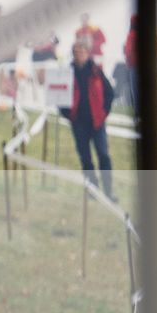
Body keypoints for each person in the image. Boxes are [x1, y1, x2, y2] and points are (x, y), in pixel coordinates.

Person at [64, 36, 116, 200]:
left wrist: (103, 112)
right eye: (76, 51)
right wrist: (68, 114)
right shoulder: (66, 72)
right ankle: (92, 191)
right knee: (85, 158)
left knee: (103, 156)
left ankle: (108, 192)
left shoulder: (96, 70)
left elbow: (110, 93)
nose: (79, 53)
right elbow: (59, 97)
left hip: (97, 122)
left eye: (82, 50)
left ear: (88, 52)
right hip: (78, 123)